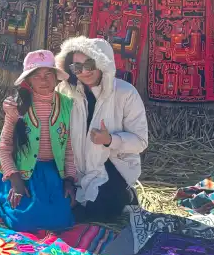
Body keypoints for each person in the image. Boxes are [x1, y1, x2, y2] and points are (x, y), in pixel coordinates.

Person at [56, 37, 148, 221]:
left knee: (97, 214)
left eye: (89, 64)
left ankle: (126, 194)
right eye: (77, 67)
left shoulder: (126, 93)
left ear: (102, 62)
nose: (85, 72)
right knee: (57, 207)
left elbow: (140, 142)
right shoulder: (65, 92)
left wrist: (110, 140)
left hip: (112, 165)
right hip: (75, 167)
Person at [0, 49, 77, 232]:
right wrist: (15, 181)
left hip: (52, 172)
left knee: (62, 219)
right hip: (22, 172)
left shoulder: (67, 106)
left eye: (48, 74)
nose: (44, 80)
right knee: (22, 220)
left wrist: (69, 180)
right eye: (37, 76)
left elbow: (69, 148)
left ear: (56, 78)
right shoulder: (16, 107)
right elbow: (4, 146)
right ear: (28, 80)